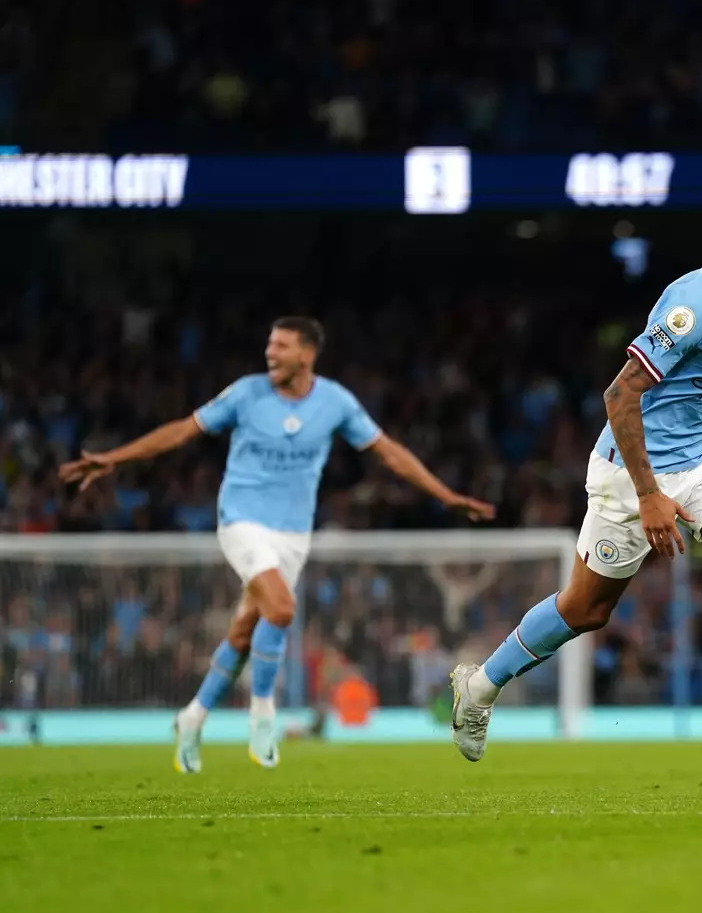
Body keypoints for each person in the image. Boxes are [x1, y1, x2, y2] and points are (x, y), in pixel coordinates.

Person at [448, 187, 702, 764]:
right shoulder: (694, 306)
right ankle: (479, 688)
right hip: (631, 474)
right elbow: (619, 395)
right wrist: (650, 494)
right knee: (586, 610)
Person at [59, 317, 494, 772]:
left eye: (282, 345)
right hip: (242, 520)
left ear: (307, 354)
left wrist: (445, 495)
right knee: (282, 609)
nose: (271, 352)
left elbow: (389, 453)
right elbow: (182, 431)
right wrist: (113, 459)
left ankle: (192, 718)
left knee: (247, 630)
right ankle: (264, 714)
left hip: (293, 533)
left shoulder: (335, 402)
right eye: (270, 344)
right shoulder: (245, 393)